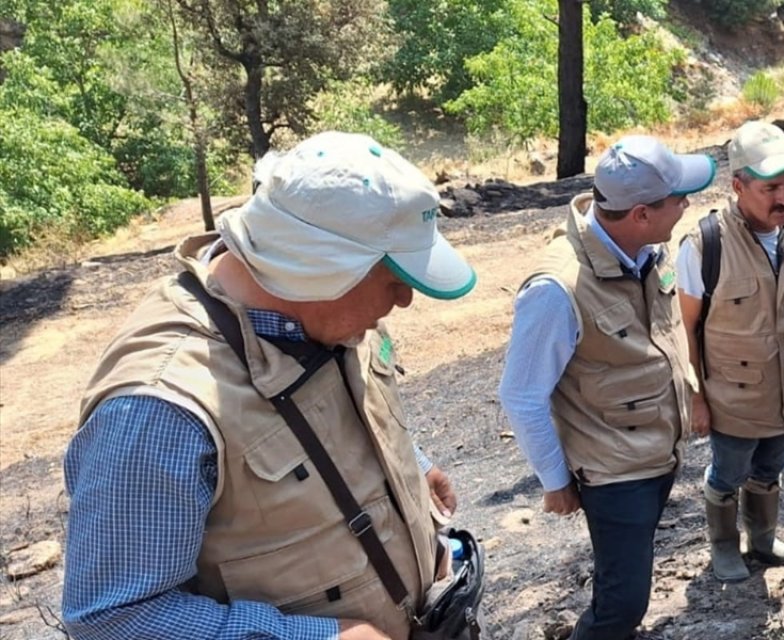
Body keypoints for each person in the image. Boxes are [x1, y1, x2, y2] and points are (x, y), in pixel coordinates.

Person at [63, 131, 478, 640]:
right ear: (315, 268)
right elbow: (111, 619)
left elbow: (335, 415)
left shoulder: (331, 317)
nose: (405, 300)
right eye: (393, 279)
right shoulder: (158, 410)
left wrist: (411, 467)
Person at [498, 136, 714, 639]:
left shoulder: (647, 250)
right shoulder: (556, 289)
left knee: (623, 583)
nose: (687, 204)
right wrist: (555, 481)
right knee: (623, 604)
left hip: (654, 453)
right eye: (679, 198)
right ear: (640, 213)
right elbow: (521, 394)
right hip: (615, 472)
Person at [676, 121, 784, 582]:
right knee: (728, 475)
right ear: (738, 186)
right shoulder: (704, 244)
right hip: (734, 397)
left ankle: (763, 542)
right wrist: (696, 398)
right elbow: (683, 329)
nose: (783, 197)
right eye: (771, 188)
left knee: (769, 468)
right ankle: (725, 548)